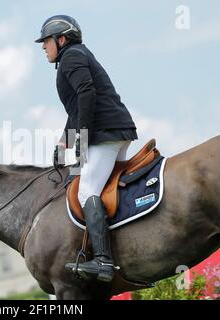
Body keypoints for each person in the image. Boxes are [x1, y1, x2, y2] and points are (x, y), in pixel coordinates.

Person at [35, 15, 138, 282]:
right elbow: (77, 108)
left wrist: (81, 137)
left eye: (46, 41)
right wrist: (64, 142)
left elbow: (86, 93)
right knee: (89, 184)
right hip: (112, 130)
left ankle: (104, 261)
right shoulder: (73, 56)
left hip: (105, 134)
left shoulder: (71, 57)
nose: (43, 47)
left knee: (86, 191)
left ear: (61, 39)